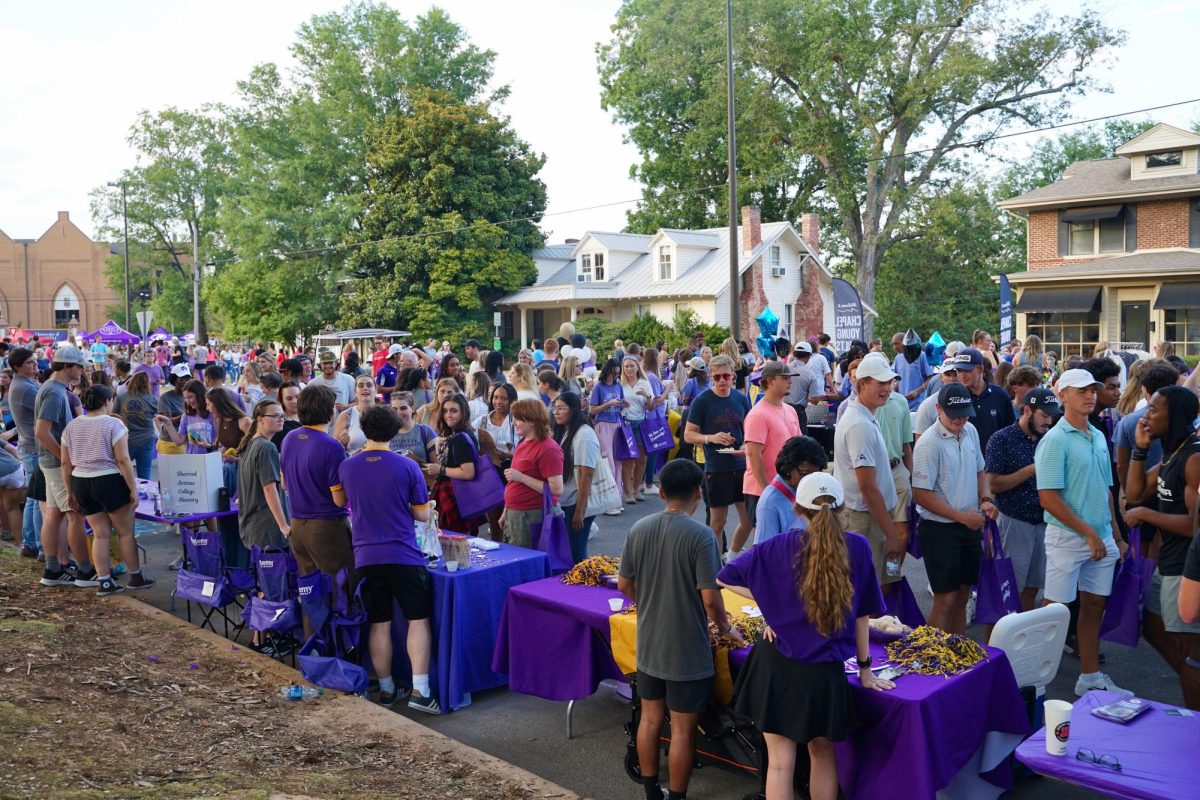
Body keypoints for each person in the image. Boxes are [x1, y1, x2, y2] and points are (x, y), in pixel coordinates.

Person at [718, 472, 891, 800]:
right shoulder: (857, 546)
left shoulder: (777, 546)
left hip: (776, 665)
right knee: (822, 756)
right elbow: (863, 615)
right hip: (823, 674)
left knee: (780, 765)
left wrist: (773, 603)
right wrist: (866, 670)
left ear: (798, 508)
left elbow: (725, 577)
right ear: (842, 509)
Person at [617, 459, 736, 800]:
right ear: (699, 492)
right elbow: (711, 599)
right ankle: (678, 796)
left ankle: (652, 791)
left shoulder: (638, 528)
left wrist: (651, 600)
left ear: (662, 492)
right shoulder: (702, 536)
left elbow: (624, 584)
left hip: (650, 644)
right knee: (683, 730)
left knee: (650, 719)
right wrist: (726, 627)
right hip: (687, 650)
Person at [1035, 368, 1131, 697]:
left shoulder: (1099, 435)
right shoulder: (1054, 440)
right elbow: (1048, 499)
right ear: (1062, 395)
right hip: (1067, 538)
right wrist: (1090, 533)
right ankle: (1033, 681)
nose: (1090, 395)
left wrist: (1114, 535)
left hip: (1101, 536)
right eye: (1081, 390)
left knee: (1094, 608)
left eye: (1092, 389)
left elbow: (1106, 490)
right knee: (1054, 614)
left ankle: (1090, 677)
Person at [336, 404, 437, 711]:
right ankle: (421, 690)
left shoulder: (348, 466)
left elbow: (341, 500)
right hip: (403, 553)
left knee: (379, 622)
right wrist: (423, 508)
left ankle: (387, 688)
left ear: (364, 431)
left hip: (366, 554)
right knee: (417, 620)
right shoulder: (406, 466)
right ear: (395, 431)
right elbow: (421, 514)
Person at [1123, 385, 1200, 709]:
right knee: (1151, 627)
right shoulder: (1172, 453)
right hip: (1166, 566)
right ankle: (1188, 678)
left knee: (1191, 652)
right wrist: (1140, 450)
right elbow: (1135, 492)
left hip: (1185, 571)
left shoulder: (1193, 458)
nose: (1146, 415)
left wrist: (1144, 514)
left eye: (1154, 409)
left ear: (1175, 416)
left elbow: (1194, 528)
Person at [912, 384, 997, 633]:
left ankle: (957, 656)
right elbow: (921, 495)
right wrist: (963, 518)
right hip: (940, 530)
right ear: (938, 408)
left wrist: (986, 499)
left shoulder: (970, 430)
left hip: (969, 524)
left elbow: (981, 471)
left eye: (965, 413)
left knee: (963, 596)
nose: (960, 419)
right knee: (945, 600)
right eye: (954, 414)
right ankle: (933, 661)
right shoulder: (928, 443)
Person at [60, 384, 153, 596]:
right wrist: (133, 489)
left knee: (100, 533)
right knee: (125, 532)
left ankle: (104, 580)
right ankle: (136, 576)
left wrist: (69, 491)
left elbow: (65, 463)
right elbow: (123, 459)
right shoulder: (114, 424)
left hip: (81, 481)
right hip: (109, 480)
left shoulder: (71, 427)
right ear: (106, 402)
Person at [985, 387, 1061, 612]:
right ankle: (998, 644)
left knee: (1032, 589)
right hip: (1013, 523)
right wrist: (1031, 470)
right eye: (1044, 415)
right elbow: (993, 484)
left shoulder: (1050, 439)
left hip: (1044, 524)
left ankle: (1023, 642)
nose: (1049, 422)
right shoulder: (1002, 439)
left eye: (1051, 416)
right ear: (1027, 410)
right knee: (1007, 590)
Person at [833, 355, 904, 592]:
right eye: (880, 383)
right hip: (865, 519)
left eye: (890, 382)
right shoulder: (859, 424)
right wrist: (891, 533)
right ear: (861, 384)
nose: (887, 388)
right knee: (868, 593)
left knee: (885, 581)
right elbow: (868, 487)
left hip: (873, 516)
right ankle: (871, 629)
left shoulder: (864, 416)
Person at [279, 385, 355, 586]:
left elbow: (284, 484)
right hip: (326, 527)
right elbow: (339, 501)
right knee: (341, 590)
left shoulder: (290, 438)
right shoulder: (331, 446)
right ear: (330, 411)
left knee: (312, 594)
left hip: (297, 526)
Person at [684, 355, 752, 557]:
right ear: (711, 377)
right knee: (717, 522)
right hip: (717, 466)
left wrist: (745, 444)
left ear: (733, 376)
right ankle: (713, 564)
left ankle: (730, 555)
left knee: (748, 519)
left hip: (741, 465)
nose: (722, 380)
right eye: (717, 377)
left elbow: (749, 428)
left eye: (726, 376)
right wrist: (711, 438)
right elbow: (688, 435)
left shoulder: (740, 398)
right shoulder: (702, 401)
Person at [35, 346, 92, 587]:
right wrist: (64, 458)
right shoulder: (55, 392)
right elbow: (41, 432)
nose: (82, 371)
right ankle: (85, 572)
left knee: (55, 514)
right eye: (79, 366)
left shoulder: (53, 389)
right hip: (56, 463)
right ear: (67, 367)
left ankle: (53, 570)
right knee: (74, 515)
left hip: (50, 462)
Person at [742, 361, 802, 549]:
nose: (789, 382)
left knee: (787, 540)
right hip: (763, 489)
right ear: (769, 381)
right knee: (765, 545)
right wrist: (767, 489)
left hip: (788, 487)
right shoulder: (758, 414)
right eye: (784, 378)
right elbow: (753, 454)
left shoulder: (790, 409)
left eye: (790, 378)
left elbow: (799, 446)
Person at [500, 399, 564, 547]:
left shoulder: (548, 449)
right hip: (517, 513)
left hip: (531, 515)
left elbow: (556, 489)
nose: (513, 423)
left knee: (526, 561)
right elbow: (514, 481)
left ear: (532, 421)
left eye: (518, 419)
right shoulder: (524, 442)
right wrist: (507, 510)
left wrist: (521, 477)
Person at [422, 393, 488, 536]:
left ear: (463, 412)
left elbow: (467, 472)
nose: (448, 415)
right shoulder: (460, 435)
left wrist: (439, 469)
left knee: (453, 543)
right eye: (445, 411)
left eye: (454, 411)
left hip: (456, 496)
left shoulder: (460, 439)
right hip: (456, 495)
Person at [234, 399, 289, 552]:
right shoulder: (266, 447)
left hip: (253, 528)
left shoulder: (249, 444)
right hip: (268, 530)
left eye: (283, 416)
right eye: (275, 416)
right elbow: (269, 489)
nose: (281, 419)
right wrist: (284, 526)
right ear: (260, 419)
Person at [753, 436, 828, 545]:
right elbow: (763, 552)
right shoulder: (769, 503)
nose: (810, 480)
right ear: (788, 468)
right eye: (805, 474)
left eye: (816, 474)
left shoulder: (807, 488)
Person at [552, 392, 600, 563]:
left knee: (576, 553)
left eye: (561, 408)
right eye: (555, 408)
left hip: (576, 503)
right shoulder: (565, 431)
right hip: (566, 501)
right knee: (568, 551)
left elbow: (586, 475)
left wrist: (579, 512)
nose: (556, 412)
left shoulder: (584, 435)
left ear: (573, 410)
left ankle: (583, 587)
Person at [7, 348, 43, 558]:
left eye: (35, 361)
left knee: (32, 498)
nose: (35, 364)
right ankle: (40, 545)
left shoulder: (25, 384)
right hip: (34, 448)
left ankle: (30, 542)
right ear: (18, 367)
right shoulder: (25, 388)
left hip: (28, 446)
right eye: (30, 362)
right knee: (39, 499)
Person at [617, 357, 653, 504]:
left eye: (632, 366)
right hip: (625, 423)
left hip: (640, 423)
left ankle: (636, 488)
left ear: (638, 367)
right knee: (627, 460)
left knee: (642, 459)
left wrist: (647, 396)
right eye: (626, 366)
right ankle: (628, 492)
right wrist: (621, 405)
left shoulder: (644, 383)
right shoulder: (620, 384)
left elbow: (651, 407)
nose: (629, 369)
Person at [589, 360, 625, 495]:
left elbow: (620, 404)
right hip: (603, 424)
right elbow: (592, 410)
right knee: (608, 460)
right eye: (613, 372)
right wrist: (608, 404)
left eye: (617, 372)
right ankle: (608, 496)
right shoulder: (599, 387)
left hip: (617, 424)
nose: (615, 375)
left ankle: (617, 495)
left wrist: (623, 405)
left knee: (617, 461)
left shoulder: (618, 386)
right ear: (607, 371)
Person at [114, 372, 157, 480]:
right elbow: (159, 416)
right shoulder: (153, 399)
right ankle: (142, 496)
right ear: (147, 384)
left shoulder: (121, 397)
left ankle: (126, 495)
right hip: (147, 438)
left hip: (126, 439)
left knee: (121, 472)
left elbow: (114, 415)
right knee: (144, 475)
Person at [332, 374, 377, 455]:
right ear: (355, 392)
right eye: (361, 386)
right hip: (354, 465)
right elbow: (333, 449)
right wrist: (342, 443)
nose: (365, 388)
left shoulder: (386, 415)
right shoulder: (345, 416)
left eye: (369, 385)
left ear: (376, 390)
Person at [388, 392, 437, 462]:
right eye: (395, 409)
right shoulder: (386, 433)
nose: (399, 413)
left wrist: (416, 461)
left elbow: (437, 468)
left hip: (419, 473)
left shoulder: (426, 431)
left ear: (413, 408)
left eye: (403, 408)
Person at [890, 330, 932, 411]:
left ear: (905, 342)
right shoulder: (898, 358)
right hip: (903, 405)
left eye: (897, 343)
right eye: (893, 345)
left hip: (918, 404)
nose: (894, 347)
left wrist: (917, 391)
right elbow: (900, 379)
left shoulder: (921, 356)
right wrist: (894, 390)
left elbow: (930, 378)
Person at [271, 381, 303, 451]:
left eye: (297, 397)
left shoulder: (311, 416)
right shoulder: (278, 422)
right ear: (282, 400)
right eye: (289, 398)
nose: (295, 401)